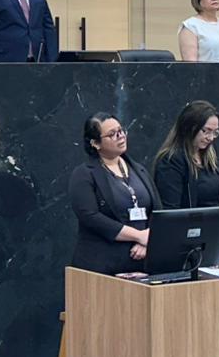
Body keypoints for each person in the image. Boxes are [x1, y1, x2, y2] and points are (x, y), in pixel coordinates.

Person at [68, 114, 158, 275]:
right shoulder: (84, 174)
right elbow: (90, 216)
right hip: (102, 264)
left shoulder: (139, 169)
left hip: (141, 262)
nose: (121, 136)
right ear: (95, 143)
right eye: (112, 134)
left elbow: (157, 209)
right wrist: (138, 236)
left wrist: (147, 241)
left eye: (121, 130)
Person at [153, 100, 219, 209]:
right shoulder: (171, 161)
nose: (210, 138)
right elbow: (170, 209)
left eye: (215, 132)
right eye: (205, 131)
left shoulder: (210, 156)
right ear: (189, 127)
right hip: (189, 220)